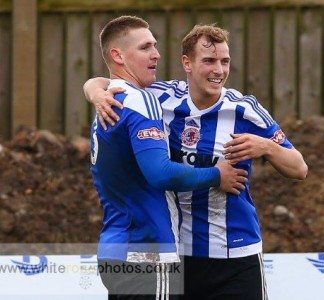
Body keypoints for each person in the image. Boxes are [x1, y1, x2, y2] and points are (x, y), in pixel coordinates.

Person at [85, 24, 308, 300]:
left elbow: (299, 168)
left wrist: (266, 147)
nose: (219, 70)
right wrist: (94, 92)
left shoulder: (244, 109)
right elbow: (113, 82)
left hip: (236, 254)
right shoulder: (159, 98)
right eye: (209, 61)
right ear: (187, 63)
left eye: (225, 61)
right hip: (181, 254)